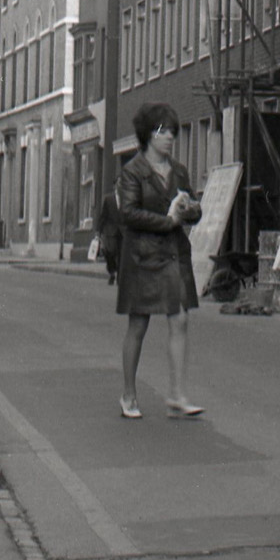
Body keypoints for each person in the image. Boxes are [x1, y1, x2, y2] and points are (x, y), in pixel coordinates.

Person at [115, 102, 205, 419]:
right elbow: (128, 213)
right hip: (142, 256)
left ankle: (177, 395)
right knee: (138, 324)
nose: (169, 138)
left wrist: (191, 209)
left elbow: (193, 206)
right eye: (163, 131)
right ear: (148, 135)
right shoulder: (132, 172)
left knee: (180, 319)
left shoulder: (178, 171)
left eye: (172, 132)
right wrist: (167, 221)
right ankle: (128, 394)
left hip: (173, 255)